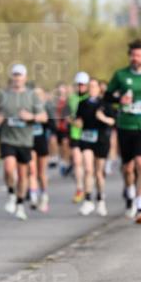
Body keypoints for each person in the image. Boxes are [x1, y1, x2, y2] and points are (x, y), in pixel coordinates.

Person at [105, 40, 141, 223]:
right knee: (128, 168)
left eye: (138, 55)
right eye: (132, 55)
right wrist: (119, 98)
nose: (134, 58)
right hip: (125, 126)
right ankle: (130, 195)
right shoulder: (120, 75)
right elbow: (107, 96)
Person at [0, 64, 44, 221]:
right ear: (12, 77)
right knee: (9, 168)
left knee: (23, 175)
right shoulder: (3, 94)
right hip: (8, 138)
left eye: (20, 75)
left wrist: (31, 117)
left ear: (25, 78)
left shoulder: (32, 95)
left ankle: (20, 204)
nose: (17, 78)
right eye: (15, 75)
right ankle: (11, 194)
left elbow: (43, 116)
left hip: (25, 140)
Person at [76, 78, 115, 216]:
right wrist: (76, 123)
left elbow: (112, 121)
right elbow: (78, 120)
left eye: (94, 86)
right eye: (90, 86)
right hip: (86, 138)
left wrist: (103, 118)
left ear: (99, 89)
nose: (92, 89)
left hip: (101, 140)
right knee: (88, 169)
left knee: (98, 173)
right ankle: (87, 200)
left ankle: (100, 199)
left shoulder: (105, 104)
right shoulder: (82, 104)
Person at [65, 73, 89, 201]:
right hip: (75, 133)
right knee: (77, 161)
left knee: (88, 164)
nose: (81, 87)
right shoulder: (72, 98)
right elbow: (66, 115)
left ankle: (88, 188)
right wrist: (73, 122)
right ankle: (79, 189)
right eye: (79, 84)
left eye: (83, 84)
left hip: (89, 135)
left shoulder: (91, 97)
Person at [29, 85, 51, 213]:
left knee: (41, 173)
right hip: (29, 142)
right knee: (32, 170)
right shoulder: (28, 107)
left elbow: (50, 123)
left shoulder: (46, 108)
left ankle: (44, 196)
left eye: (39, 95)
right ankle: (33, 197)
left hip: (42, 142)